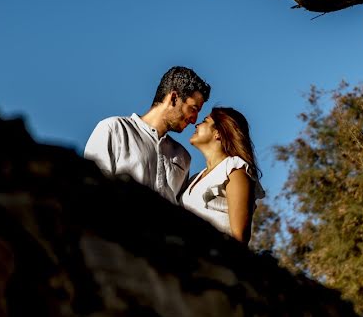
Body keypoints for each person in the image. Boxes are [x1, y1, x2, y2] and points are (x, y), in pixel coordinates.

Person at [84, 66, 211, 203]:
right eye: (193, 109)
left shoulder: (183, 156)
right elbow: (89, 189)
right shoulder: (113, 129)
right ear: (173, 98)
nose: (194, 120)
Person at [181, 106, 265, 243]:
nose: (197, 124)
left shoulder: (234, 171)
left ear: (218, 133)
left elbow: (239, 239)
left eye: (204, 121)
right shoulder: (194, 179)